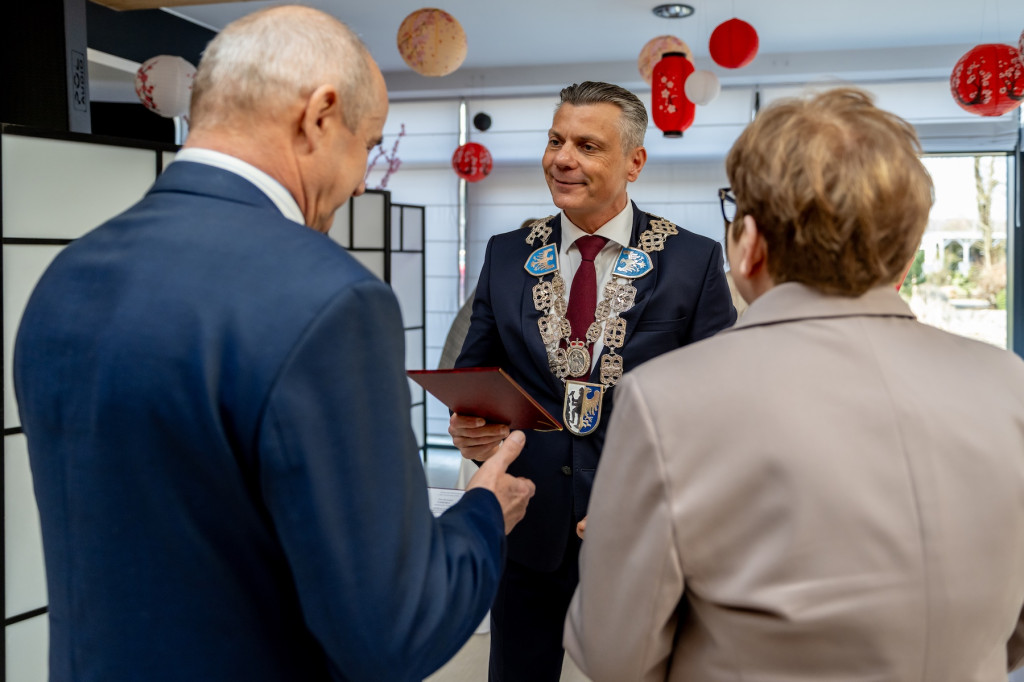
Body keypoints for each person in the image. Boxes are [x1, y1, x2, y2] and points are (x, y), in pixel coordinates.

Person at [13, 7, 535, 682]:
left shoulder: (67, 273)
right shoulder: (329, 300)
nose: (358, 182)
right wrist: (485, 513)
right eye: (368, 146)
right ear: (319, 116)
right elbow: (396, 629)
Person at [564, 87, 1024, 681]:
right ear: (906, 253)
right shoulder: (1010, 385)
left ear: (749, 243)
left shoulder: (667, 399)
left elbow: (614, 656)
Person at [450, 81, 737, 681]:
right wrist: (470, 425)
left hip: (645, 536)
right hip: (527, 530)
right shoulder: (506, 254)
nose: (562, 158)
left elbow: (722, 413)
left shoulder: (694, 260)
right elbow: (475, 375)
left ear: (634, 161)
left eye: (587, 145)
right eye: (556, 140)